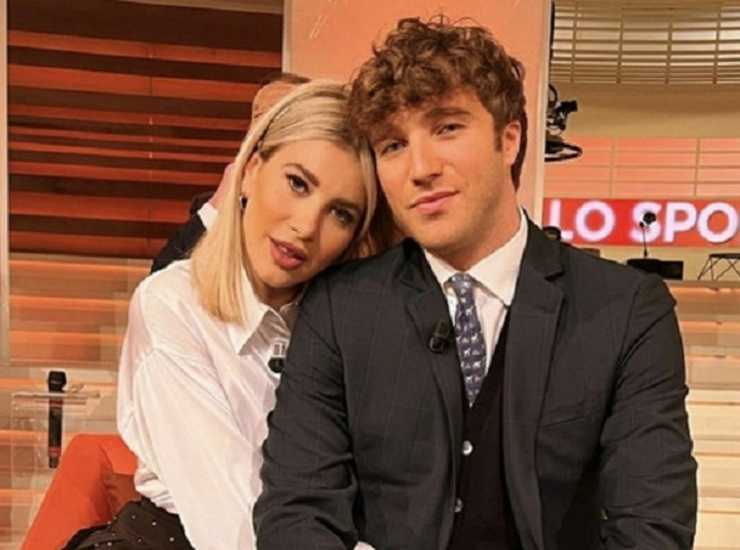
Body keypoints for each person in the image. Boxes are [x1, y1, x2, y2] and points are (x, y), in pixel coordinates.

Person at [254, 17, 697, 550]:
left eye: (447, 128)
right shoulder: (339, 308)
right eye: (393, 145)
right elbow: (297, 511)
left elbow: (651, 528)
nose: (420, 168)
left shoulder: (626, 310)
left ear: (508, 139)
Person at [64, 81, 388, 550]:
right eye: (297, 183)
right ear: (251, 169)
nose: (306, 226)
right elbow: (234, 522)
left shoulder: (345, 328)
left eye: (340, 213)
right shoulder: (172, 303)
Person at [150, 72, 311, 274]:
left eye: (276, 116)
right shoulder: (213, 208)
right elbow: (161, 280)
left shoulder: (314, 218)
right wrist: (219, 204)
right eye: (258, 116)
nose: (261, 127)